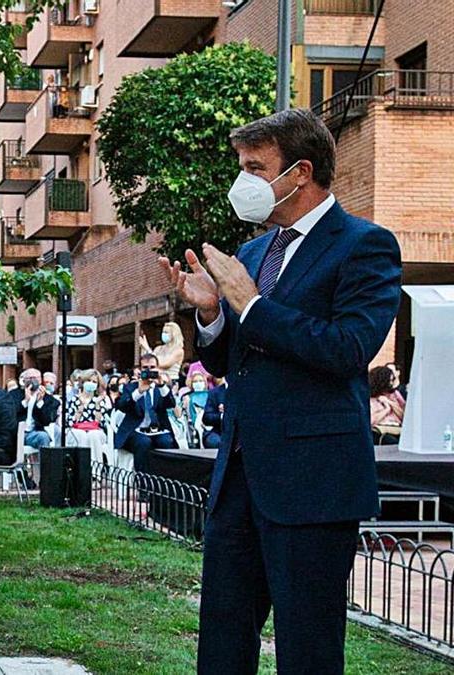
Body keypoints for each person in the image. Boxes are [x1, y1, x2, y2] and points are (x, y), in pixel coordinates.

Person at [160, 109, 402, 674]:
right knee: (222, 641)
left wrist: (251, 304)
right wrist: (214, 312)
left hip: (313, 482)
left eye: (254, 167)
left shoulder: (364, 246)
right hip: (241, 476)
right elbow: (230, 361)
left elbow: (348, 349)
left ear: (299, 173)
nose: (242, 181)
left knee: (307, 647)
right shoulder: (253, 253)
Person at [113, 353, 177, 473]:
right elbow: (121, 405)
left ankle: (164, 483)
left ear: (158, 369)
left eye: (152, 367)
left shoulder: (161, 388)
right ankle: (144, 483)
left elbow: (171, 403)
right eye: (145, 368)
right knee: (143, 442)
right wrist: (139, 392)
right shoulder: (130, 387)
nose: (149, 371)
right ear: (139, 370)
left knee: (167, 442)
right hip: (135, 431)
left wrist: (162, 385)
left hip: (157, 430)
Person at [66, 369, 113, 465]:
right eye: (89, 380)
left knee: (94, 435)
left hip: (95, 430)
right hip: (77, 430)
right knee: (80, 435)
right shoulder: (75, 399)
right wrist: (81, 406)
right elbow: (71, 422)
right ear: (83, 382)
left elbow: (100, 422)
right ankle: (80, 468)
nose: (91, 383)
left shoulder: (99, 400)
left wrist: (97, 405)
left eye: (94, 382)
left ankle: (96, 471)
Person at [19, 368, 59, 449]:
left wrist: (40, 403)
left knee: (43, 437)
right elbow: (12, 413)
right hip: (18, 432)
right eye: (29, 378)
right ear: (24, 380)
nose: (32, 381)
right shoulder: (15, 395)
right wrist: (25, 401)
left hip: (34, 433)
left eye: (35, 378)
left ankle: (45, 461)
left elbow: (47, 420)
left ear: (40, 380)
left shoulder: (49, 399)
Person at [369, 366, 404, 445]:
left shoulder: (395, 394)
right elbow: (371, 421)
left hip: (397, 429)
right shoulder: (371, 399)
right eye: (390, 380)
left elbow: (403, 416)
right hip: (380, 431)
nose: (391, 383)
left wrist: (390, 403)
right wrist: (386, 410)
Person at [201, 378, 227, 450]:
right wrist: (223, 415)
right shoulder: (215, 392)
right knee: (213, 441)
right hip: (219, 431)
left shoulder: (246, 391)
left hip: (242, 432)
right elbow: (206, 418)